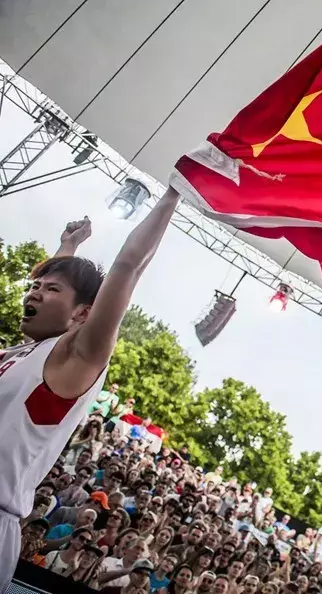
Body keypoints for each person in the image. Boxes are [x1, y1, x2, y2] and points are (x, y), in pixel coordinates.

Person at [0, 188, 179, 590]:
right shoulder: (19, 354)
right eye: (35, 285)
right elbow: (54, 300)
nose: (34, 291)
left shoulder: (75, 359)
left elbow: (128, 266)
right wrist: (66, 249)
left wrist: (174, 193)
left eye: (51, 288)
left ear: (83, 314)